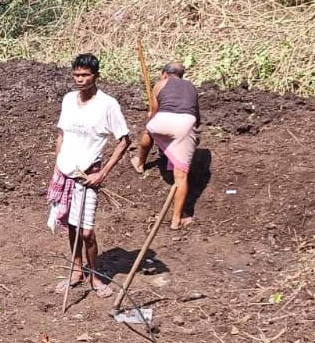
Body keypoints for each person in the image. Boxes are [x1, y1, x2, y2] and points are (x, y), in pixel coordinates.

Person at [47, 53, 131, 298]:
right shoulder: (69, 99)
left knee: (86, 232)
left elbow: (124, 141)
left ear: (96, 76)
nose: (79, 79)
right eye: (76, 75)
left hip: (88, 175)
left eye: (85, 75)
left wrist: (102, 174)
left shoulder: (108, 104)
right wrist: (56, 166)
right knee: (71, 226)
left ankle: (95, 276)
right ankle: (76, 270)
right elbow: (61, 134)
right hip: (65, 172)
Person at [134, 61, 201, 230]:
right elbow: (197, 117)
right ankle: (176, 220)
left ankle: (140, 163)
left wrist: (151, 115)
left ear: (165, 74)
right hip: (186, 123)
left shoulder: (161, 83)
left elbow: (154, 111)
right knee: (181, 177)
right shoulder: (191, 87)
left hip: (163, 120)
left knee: (149, 131)